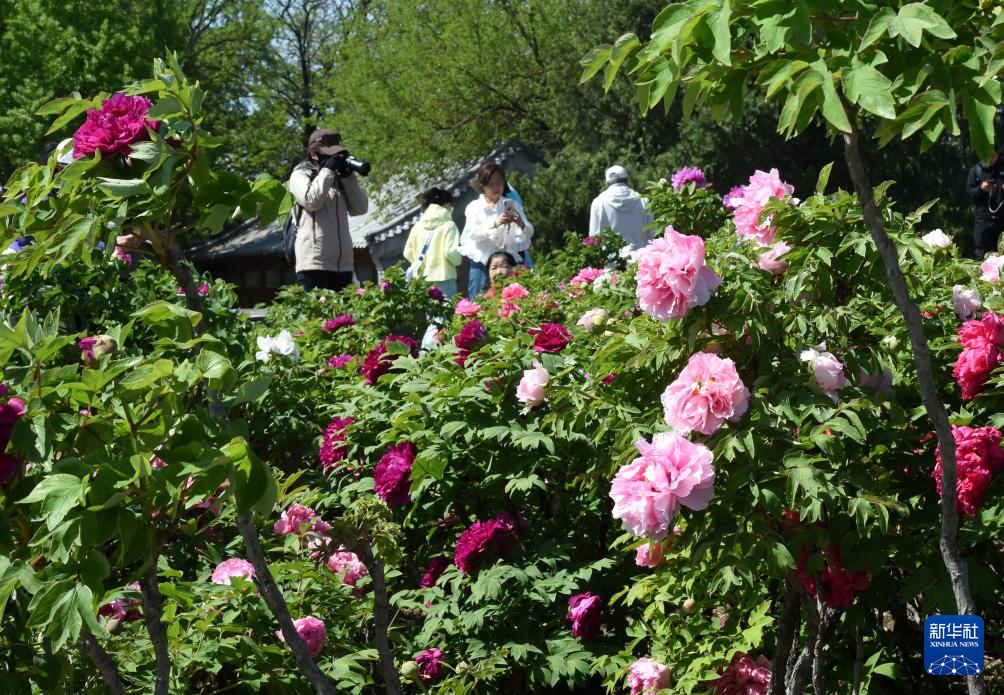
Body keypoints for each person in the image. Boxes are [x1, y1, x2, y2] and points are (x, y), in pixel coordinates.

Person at [288, 129, 369, 291]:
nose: (334, 158)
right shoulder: (300, 174)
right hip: (315, 263)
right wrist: (328, 170)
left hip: (344, 265)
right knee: (319, 308)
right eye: (329, 154)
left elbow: (361, 208)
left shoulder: (337, 179)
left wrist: (347, 177)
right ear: (314, 154)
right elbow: (312, 200)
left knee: (345, 309)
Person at [459, 163, 533, 297]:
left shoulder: (512, 204)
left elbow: (529, 233)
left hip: (507, 261)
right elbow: (472, 233)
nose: (496, 187)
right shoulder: (475, 207)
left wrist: (520, 223)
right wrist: (495, 223)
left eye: (499, 182)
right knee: (478, 298)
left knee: (515, 297)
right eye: (491, 184)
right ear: (482, 186)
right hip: (482, 259)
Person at [404, 187, 462, 298]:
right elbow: (450, 252)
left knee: (428, 309)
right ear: (446, 205)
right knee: (446, 308)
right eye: (450, 206)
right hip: (444, 276)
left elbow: (407, 252)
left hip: (421, 278)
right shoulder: (449, 225)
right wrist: (458, 260)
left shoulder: (417, 226)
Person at [589, 164, 653, 249]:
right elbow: (652, 234)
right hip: (641, 255)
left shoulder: (598, 203)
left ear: (606, 183)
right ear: (627, 181)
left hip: (611, 257)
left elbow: (594, 240)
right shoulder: (643, 200)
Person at [966, 149, 1004, 259]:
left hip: (1001, 220)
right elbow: (969, 193)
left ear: (997, 154)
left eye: (993, 155)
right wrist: (981, 189)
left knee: (1001, 253)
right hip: (983, 221)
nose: (990, 159)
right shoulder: (976, 170)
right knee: (981, 254)